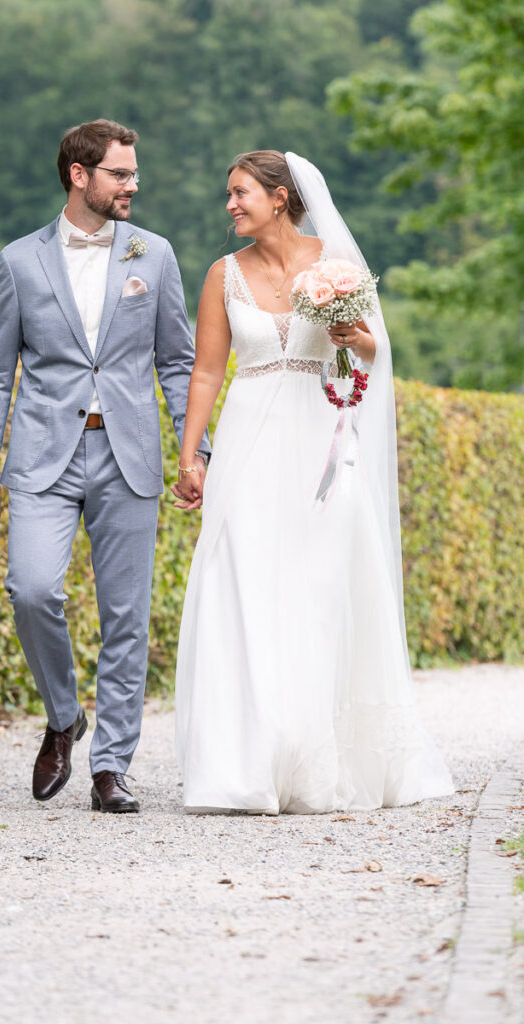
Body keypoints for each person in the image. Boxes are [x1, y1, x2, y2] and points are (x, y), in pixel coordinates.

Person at [173, 149, 453, 814]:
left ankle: (315, 760)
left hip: (318, 440)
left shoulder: (336, 265)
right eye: (228, 194)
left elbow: (372, 352)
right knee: (239, 581)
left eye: (240, 193)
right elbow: (207, 371)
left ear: (279, 196)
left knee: (319, 588)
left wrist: (355, 338)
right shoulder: (222, 274)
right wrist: (191, 453)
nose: (230, 206)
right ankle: (242, 766)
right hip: (247, 437)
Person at [0, 118, 210, 813]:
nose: (133, 184)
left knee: (126, 615)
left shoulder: (153, 254)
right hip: (43, 457)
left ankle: (111, 767)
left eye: (133, 173)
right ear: (80, 176)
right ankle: (63, 713)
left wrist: (192, 449)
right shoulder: (19, 261)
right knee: (31, 589)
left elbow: (176, 360)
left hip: (128, 454)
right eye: (120, 174)